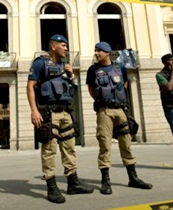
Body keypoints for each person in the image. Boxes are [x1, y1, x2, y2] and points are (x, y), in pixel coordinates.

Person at [27, 34, 93, 204]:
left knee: (69, 147)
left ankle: (73, 182)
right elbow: (30, 86)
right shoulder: (40, 63)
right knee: (49, 149)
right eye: (63, 45)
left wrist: (71, 76)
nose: (66, 48)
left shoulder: (65, 65)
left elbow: (70, 88)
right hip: (49, 112)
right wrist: (34, 110)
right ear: (53, 46)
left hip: (65, 112)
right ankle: (51, 186)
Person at [87, 42, 152, 195]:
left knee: (126, 144)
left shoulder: (119, 67)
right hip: (104, 111)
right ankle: (105, 181)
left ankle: (133, 178)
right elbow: (91, 89)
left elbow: (124, 84)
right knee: (105, 145)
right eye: (95, 50)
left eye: (99, 51)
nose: (96, 53)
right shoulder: (93, 69)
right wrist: (103, 100)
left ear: (107, 52)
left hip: (121, 110)